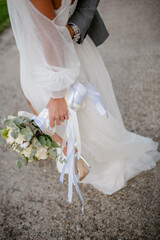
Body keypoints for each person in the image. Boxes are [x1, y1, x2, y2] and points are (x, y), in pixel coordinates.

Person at [7, 0, 160, 202]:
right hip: (71, 50)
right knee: (82, 111)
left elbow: (50, 36)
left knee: (60, 107)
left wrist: (57, 94)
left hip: (52, 58)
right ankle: (77, 154)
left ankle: (89, 155)